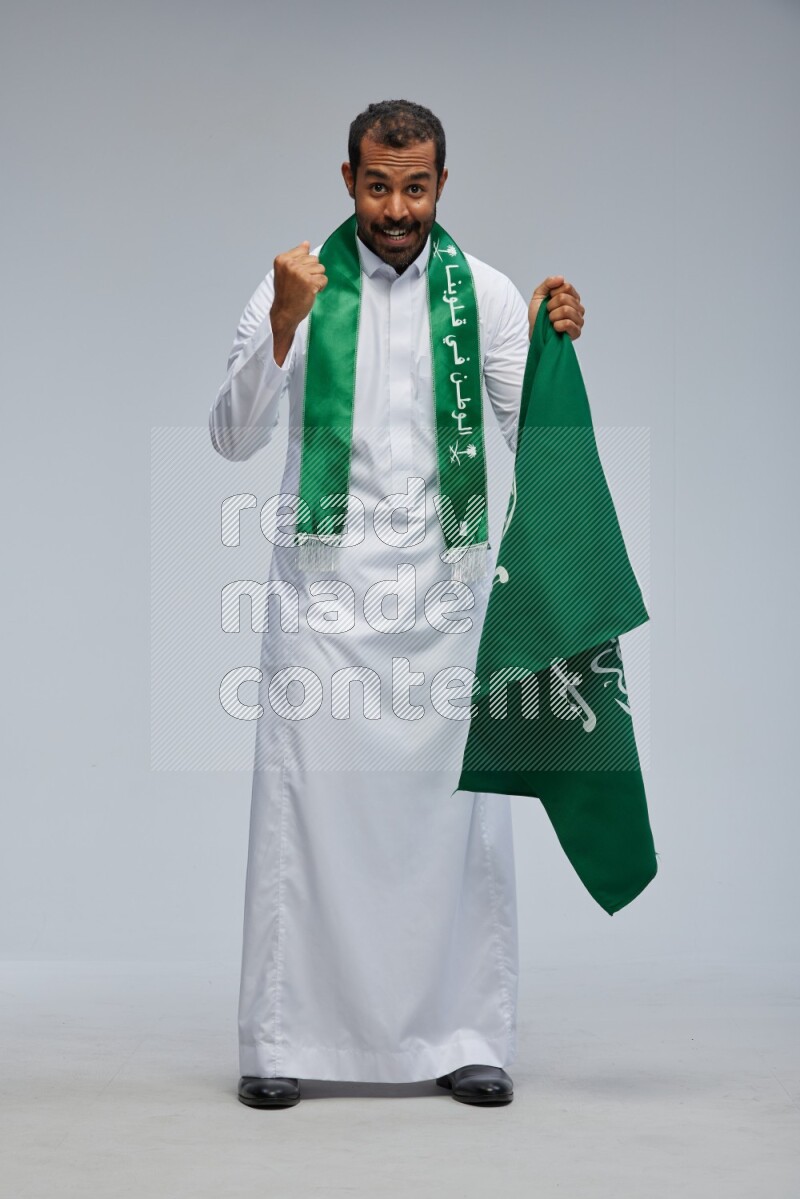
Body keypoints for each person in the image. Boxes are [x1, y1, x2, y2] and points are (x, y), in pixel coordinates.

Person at [208, 99, 586, 1109]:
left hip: (446, 608)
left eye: (413, 185)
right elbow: (230, 435)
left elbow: (531, 428)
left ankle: (464, 1033)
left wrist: (558, 346)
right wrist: (285, 319)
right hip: (324, 606)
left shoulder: (487, 295)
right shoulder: (298, 282)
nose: (394, 206)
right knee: (305, 816)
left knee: (457, 825)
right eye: (376, 184)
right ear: (347, 180)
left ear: (440, 186)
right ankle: (282, 1036)